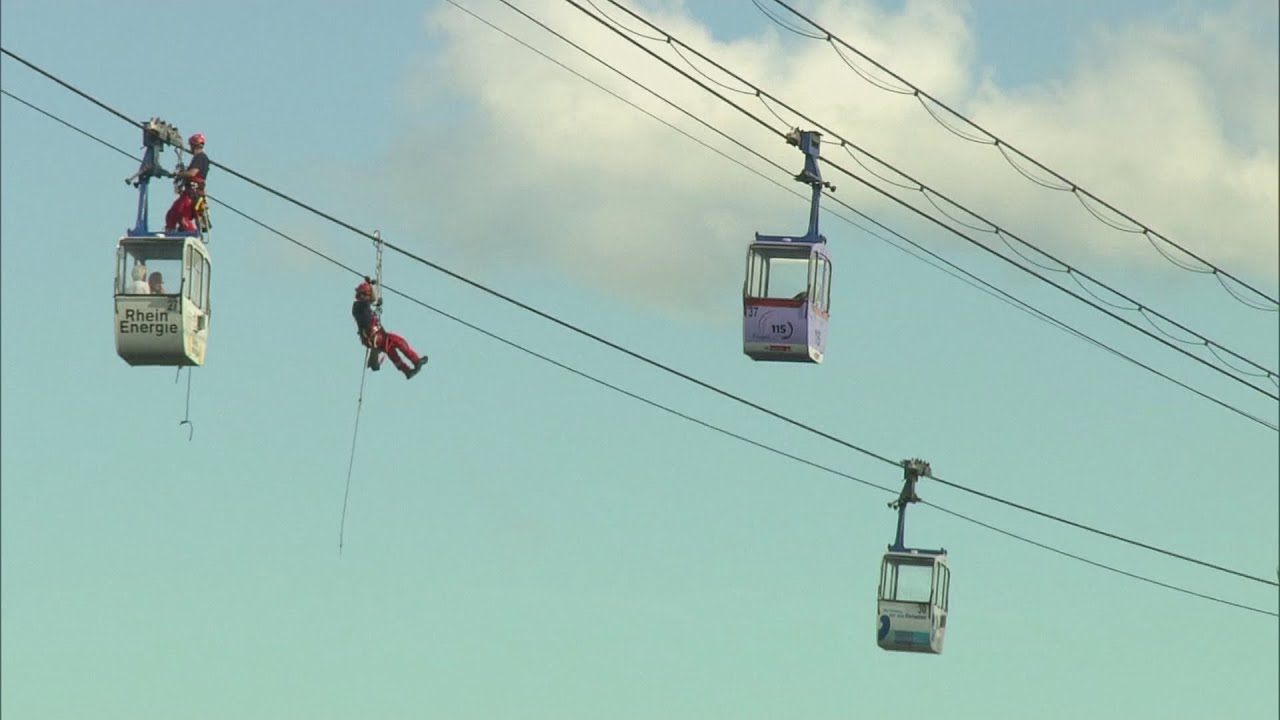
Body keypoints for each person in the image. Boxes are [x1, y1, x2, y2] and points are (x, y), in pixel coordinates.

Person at [352, 280, 427, 380]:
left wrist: (370, 287)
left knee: (392, 351)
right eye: (366, 295)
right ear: (361, 295)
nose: (367, 297)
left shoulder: (362, 307)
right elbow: (372, 299)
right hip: (375, 337)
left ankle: (407, 371)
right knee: (398, 341)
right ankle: (416, 361)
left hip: (376, 337)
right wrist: (370, 286)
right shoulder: (359, 305)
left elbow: (371, 301)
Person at [165, 133, 211, 233]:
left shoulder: (201, 157)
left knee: (182, 216)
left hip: (192, 194)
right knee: (171, 215)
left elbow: (192, 173)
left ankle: (192, 234)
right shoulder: (199, 158)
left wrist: (179, 174)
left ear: (193, 145)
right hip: (188, 193)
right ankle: (170, 232)